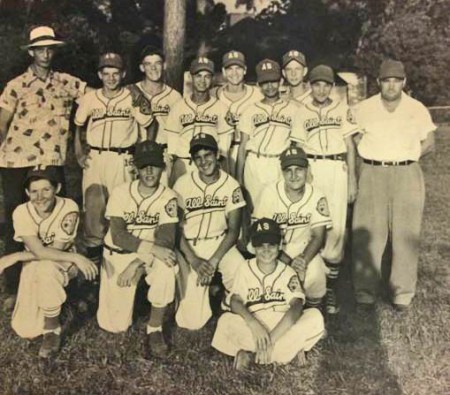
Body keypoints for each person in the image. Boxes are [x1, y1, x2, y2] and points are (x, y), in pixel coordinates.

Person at [0, 26, 88, 308]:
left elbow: (100, 97)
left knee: (59, 220)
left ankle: (67, 284)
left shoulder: (67, 82)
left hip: (52, 160)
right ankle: (12, 288)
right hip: (16, 160)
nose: (46, 54)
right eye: (40, 49)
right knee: (16, 220)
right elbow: (2, 122)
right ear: (32, 52)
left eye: (50, 49)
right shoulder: (16, 84)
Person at [351, 59, 436, 312]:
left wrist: (408, 155)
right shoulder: (364, 108)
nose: (391, 85)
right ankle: (364, 292)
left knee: (406, 234)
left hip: (406, 172)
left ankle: (402, 293)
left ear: (404, 82)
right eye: (386, 80)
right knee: (367, 232)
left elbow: (430, 141)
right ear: (378, 82)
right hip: (373, 171)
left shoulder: (416, 108)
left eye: (396, 80)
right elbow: (352, 137)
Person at [0, 167, 98, 358]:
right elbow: (38, 251)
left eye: (46, 189)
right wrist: (23, 256)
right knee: (25, 329)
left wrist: (16, 256)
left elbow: (57, 250)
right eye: (34, 191)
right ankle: (61, 301)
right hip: (36, 262)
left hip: (64, 261)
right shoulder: (21, 211)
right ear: (27, 193)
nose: (40, 196)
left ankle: (52, 330)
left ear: (57, 188)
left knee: (46, 268)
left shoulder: (68, 207)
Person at [97, 141, 178, 358]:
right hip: (118, 253)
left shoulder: (168, 196)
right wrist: (143, 256)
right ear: (135, 167)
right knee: (114, 326)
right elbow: (119, 235)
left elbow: (166, 240)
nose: (149, 171)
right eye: (144, 166)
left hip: (148, 255)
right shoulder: (121, 192)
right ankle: (139, 295)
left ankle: (155, 327)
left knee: (167, 267)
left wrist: (138, 264)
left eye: (154, 165)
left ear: (162, 167)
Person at [211, 218, 325, 370]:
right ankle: (289, 353)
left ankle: (252, 355)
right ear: (253, 247)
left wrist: (270, 340)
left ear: (279, 246)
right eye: (260, 245)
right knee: (225, 321)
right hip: (255, 324)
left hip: (282, 325)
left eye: (271, 244)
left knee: (315, 317)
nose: (266, 250)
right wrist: (254, 324)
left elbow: (296, 308)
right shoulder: (245, 268)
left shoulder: (288, 271)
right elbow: (235, 302)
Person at [74, 52, 155, 265]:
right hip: (96, 158)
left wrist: (143, 157)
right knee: (93, 214)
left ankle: (121, 263)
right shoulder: (90, 98)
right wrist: (79, 153)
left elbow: (149, 124)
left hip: (123, 158)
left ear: (123, 74)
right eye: (106, 73)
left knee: (123, 210)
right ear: (99, 75)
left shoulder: (132, 97)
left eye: (115, 73)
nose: (111, 78)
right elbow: (78, 126)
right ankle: (94, 271)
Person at [292, 64, 358, 315]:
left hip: (336, 168)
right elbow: (297, 146)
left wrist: (353, 180)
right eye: (316, 84)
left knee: (337, 228)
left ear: (332, 87)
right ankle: (310, 281)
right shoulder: (302, 110)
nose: (321, 89)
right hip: (312, 169)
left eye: (326, 84)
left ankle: (330, 286)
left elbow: (350, 146)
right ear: (310, 85)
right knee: (312, 224)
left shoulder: (342, 109)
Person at [174, 134, 246, 330]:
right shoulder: (182, 184)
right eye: (198, 157)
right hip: (190, 246)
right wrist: (194, 261)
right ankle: (181, 295)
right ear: (193, 161)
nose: (204, 161)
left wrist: (213, 262)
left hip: (219, 243)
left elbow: (233, 230)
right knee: (191, 323)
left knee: (240, 270)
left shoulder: (231, 185)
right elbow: (175, 228)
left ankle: (227, 301)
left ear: (217, 155)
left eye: (208, 155)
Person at [253, 147, 332, 308]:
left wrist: (302, 260)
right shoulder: (269, 192)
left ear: (307, 170)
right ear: (282, 172)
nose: (294, 175)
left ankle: (313, 307)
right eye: (288, 170)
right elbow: (260, 235)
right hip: (272, 249)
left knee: (315, 272)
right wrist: (287, 262)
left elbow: (318, 236)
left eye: (299, 169)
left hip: (304, 248)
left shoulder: (317, 194)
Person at [236, 59, 303, 209]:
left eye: (273, 81)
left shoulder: (293, 109)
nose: (270, 86)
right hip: (255, 163)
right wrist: (239, 179)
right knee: (254, 211)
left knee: (279, 209)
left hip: (279, 164)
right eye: (265, 82)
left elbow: (299, 143)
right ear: (259, 85)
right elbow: (242, 147)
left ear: (280, 82)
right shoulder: (250, 110)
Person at [165, 56, 233, 184]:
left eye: (207, 76)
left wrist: (220, 167)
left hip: (210, 165)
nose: (202, 80)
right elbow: (172, 147)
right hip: (184, 163)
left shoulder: (221, 108)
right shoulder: (178, 107)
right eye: (198, 76)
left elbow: (224, 147)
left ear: (212, 79)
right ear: (191, 77)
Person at [131, 46, 182, 183]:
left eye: (157, 63)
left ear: (164, 65)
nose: (153, 68)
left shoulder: (175, 96)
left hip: (163, 153)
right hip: (136, 153)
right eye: (148, 64)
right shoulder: (131, 92)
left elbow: (178, 131)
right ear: (142, 68)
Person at [212, 50, 263, 177]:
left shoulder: (258, 94)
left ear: (245, 70)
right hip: (220, 151)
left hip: (247, 151)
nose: (234, 73)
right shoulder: (214, 94)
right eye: (229, 69)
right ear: (223, 71)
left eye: (238, 68)